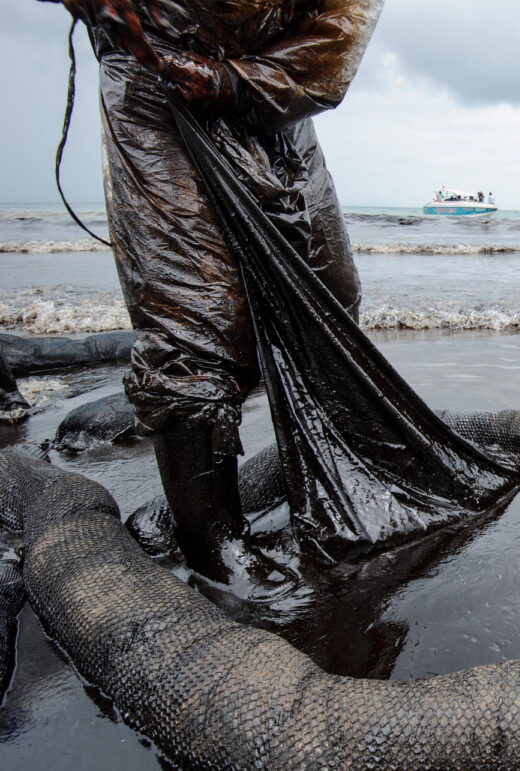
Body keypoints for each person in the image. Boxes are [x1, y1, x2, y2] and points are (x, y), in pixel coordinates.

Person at [50, 0, 383, 587]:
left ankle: (337, 490)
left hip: (277, 101)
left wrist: (233, 82)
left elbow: (341, 31)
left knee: (330, 296)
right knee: (197, 317)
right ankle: (215, 551)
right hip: (157, 89)